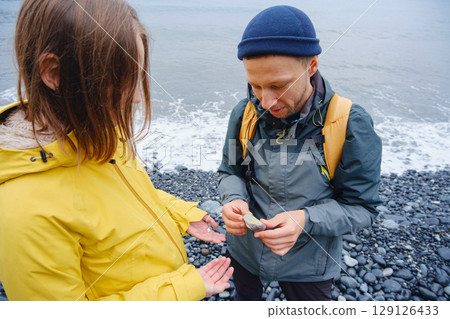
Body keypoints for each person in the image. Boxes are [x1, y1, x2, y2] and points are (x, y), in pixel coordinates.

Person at [0, 0, 233, 301]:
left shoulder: (96, 135)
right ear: (54, 73)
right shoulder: (25, 214)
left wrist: (179, 214)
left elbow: (118, 197)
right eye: (123, 79)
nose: (137, 97)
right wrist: (183, 289)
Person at [218, 5, 382, 301]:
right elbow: (230, 172)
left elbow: (363, 208)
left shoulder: (349, 122)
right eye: (255, 85)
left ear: (313, 65)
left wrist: (306, 220)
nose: (265, 101)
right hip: (244, 251)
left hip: (310, 264)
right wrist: (233, 199)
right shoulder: (244, 112)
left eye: (277, 86)